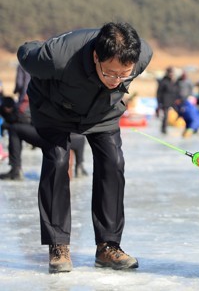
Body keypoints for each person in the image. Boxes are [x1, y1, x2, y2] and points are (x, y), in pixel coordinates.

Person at [17, 22, 153, 273]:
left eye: (124, 75)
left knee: (113, 162)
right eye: (111, 73)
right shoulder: (55, 57)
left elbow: (120, 77)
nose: (117, 80)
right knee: (58, 161)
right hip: (53, 109)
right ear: (95, 57)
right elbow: (26, 51)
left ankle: (108, 246)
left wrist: (118, 81)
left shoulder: (142, 54)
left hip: (102, 111)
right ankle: (58, 245)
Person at [0, 97, 87, 180]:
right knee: (79, 138)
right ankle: (80, 166)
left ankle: (15, 170)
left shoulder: (45, 87)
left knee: (14, 129)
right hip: (75, 136)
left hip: (50, 134)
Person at [156, 67, 178, 134]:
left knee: (179, 113)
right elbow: (159, 92)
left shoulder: (173, 81)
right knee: (165, 116)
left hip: (173, 101)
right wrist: (159, 102)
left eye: (172, 73)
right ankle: (164, 129)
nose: (171, 74)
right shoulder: (163, 81)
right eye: (170, 73)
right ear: (167, 73)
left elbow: (175, 91)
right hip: (165, 101)